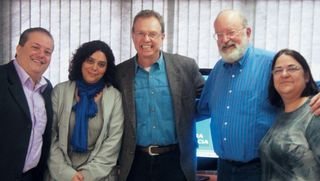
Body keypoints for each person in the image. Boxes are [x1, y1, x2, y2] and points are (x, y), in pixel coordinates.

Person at [197, 9, 320, 181]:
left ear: (248, 32)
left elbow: (305, 85)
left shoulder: (271, 63)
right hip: (224, 168)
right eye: (219, 35)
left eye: (231, 32)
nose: (225, 40)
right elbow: (202, 109)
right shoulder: (217, 70)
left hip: (260, 168)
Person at [115, 10, 204, 181]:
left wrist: (188, 116)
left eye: (152, 34)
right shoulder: (119, 73)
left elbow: (208, 101)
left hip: (176, 161)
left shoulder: (186, 67)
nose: (146, 39)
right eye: (140, 33)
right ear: (133, 36)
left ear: (162, 37)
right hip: (135, 163)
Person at [47, 40, 124, 181]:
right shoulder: (60, 91)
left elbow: (113, 142)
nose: (94, 68)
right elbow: (50, 137)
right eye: (90, 61)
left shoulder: (114, 97)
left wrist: (85, 176)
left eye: (101, 64)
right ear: (80, 62)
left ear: (107, 68)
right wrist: (67, 175)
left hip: (99, 175)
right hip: (60, 175)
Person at [0, 27, 54, 181]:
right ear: (19, 48)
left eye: (47, 52)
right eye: (35, 47)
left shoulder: (47, 89)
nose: (41, 55)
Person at [259, 48, 320, 180]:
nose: (284, 74)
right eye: (278, 70)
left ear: (307, 76)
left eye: (292, 68)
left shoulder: (315, 112)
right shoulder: (281, 114)